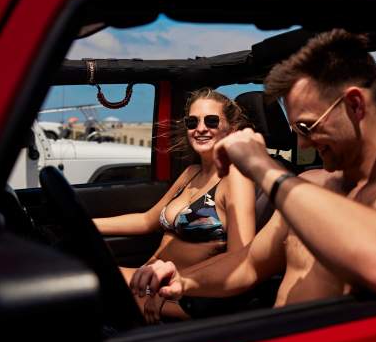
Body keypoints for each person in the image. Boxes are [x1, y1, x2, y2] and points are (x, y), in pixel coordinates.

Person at [130, 29, 376, 308]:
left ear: (355, 105)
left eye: (308, 127)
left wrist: (262, 167)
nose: (304, 145)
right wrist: (185, 281)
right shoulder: (311, 183)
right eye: (296, 130)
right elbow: (250, 264)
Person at [93, 87, 256, 323]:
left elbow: (240, 259)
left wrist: (177, 286)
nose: (200, 128)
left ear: (230, 128)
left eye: (211, 121)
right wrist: (86, 224)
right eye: (192, 122)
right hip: (150, 282)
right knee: (75, 275)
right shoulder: (191, 172)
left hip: (186, 296)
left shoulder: (236, 177)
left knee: (79, 288)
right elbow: (147, 220)